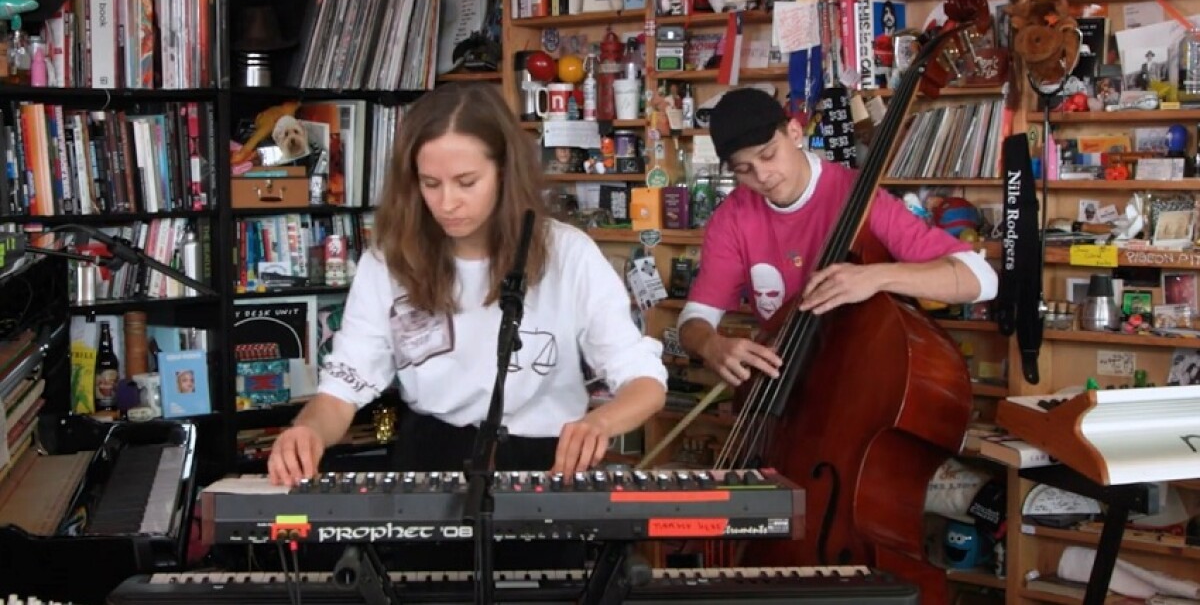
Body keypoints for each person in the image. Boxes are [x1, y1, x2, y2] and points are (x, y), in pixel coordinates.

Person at [268, 81, 668, 488]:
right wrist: (309, 432)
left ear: (504, 173)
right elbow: (342, 389)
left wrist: (599, 422)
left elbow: (644, 382)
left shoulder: (568, 253)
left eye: (466, 182)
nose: (447, 203)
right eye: (430, 184)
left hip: (544, 464)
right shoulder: (388, 261)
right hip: (428, 460)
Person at [678, 88, 998, 387]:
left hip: (864, 380)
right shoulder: (731, 217)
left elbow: (981, 279)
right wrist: (710, 344)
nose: (762, 176)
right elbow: (696, 316)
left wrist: (877, 277)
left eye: (769, 155)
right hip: (786, 381)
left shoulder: (860, 196)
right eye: (744, 169)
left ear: (793, 132)